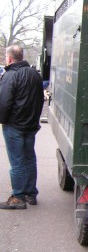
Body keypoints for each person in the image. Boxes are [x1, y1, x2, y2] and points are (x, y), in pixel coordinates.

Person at [0, 45, 44, 209]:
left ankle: (18, 197)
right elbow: (40, 100)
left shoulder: (11, 75)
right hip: (30, 125)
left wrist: (3, 120)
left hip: (15, 126)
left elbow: (4, 103)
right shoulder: (35, 74)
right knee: (29, 160)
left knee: (17, 163)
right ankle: (31, 194)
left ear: (10, 58)